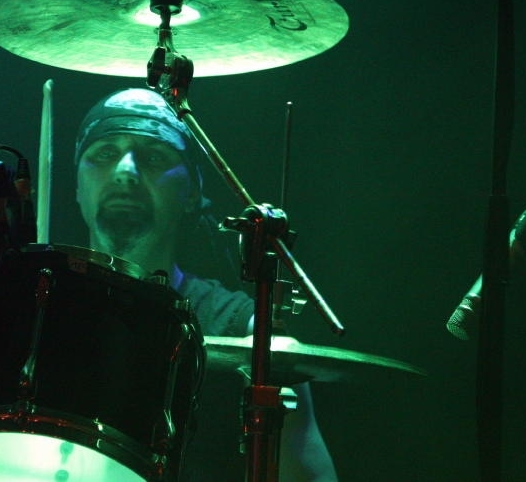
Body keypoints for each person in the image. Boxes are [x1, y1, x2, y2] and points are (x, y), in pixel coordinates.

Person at [73, 87, 338, 481]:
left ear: (192, 192)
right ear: (77, 186)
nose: (125, 171)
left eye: (153, 157)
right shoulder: (32, 314)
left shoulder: (246, 333)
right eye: (104, 154)